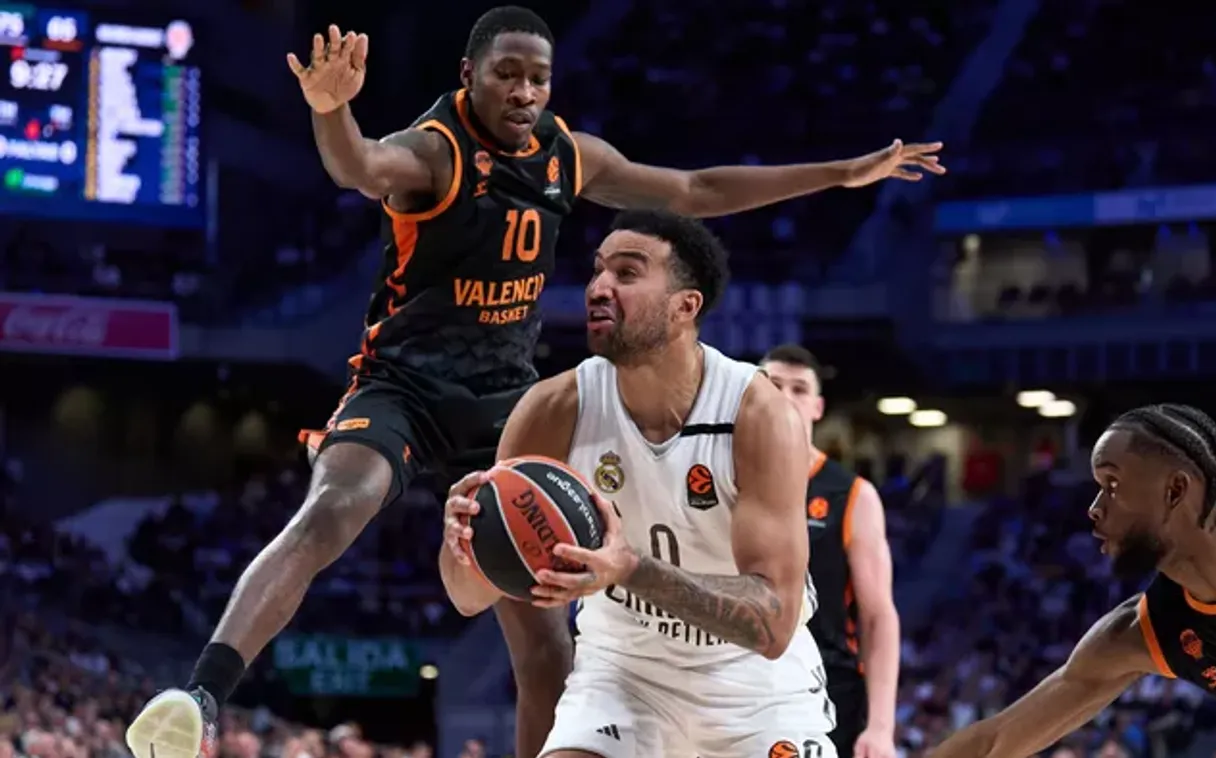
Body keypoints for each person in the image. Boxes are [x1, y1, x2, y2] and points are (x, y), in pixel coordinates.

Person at [124, 7, 944, 758]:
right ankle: (202, 694)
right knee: (335, 506)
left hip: (502, 399)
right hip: (403, 384)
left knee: (543, 634)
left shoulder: (567, 155)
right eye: (506, 74)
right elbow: (361, 167)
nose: (522, 91)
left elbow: (693, 190)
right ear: (469, 75)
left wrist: (842, 173)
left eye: (537, 78)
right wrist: (330, 111)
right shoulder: (435, 150)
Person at [441, 210, 834, 758]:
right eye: (597, 271)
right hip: (622, 676)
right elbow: (466, 596)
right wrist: (463, 542)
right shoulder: (554, 409)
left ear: (685, 306)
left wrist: (631, 570)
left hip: (752, 688)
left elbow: (773, 624)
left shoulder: (758, 414)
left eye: (626, 273)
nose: (599, 288)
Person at [927, 403, 1216, 757]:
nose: (1094, 508)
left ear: (1175, 490)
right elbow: (995, 741)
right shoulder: (1144, 632)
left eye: (1112, 484)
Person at [761, 344, 901, 758]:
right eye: (773, 385)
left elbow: (878, 616)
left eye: (799, 389)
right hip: (738, 682)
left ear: (817, 407)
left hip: (827, 691)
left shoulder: (851, 494)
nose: (785, 397)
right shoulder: (718, 479)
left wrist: (881, 727)